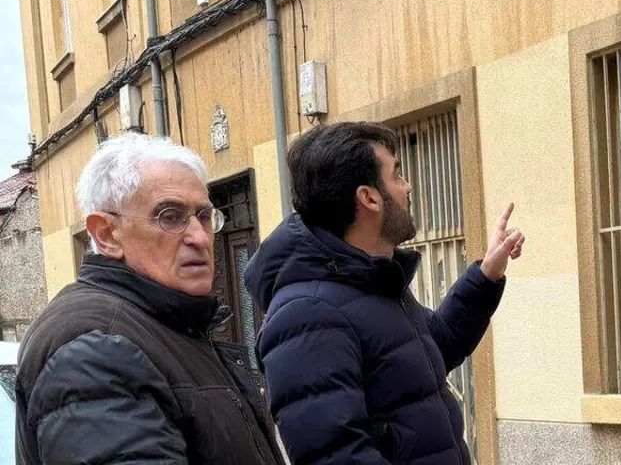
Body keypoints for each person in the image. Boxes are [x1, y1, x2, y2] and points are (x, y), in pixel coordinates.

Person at [245, 121, 524, 465]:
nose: (408, 188)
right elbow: (338, 457)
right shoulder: (306, 314)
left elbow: (434, 345)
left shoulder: (372, 285)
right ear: (368, 197)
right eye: (397, 176)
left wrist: (486, 274)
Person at [14, 133, 285, 465]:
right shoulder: (97, 348)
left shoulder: (171, 325)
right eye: (170, 216)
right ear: (106, 234)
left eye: (203, 216)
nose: (200, 237)